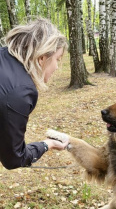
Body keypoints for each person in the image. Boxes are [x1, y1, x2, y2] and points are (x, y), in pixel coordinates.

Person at [0, 17, 69, 170]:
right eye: (57, 59)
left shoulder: (3, 56)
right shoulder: (20, 91)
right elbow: (14, 159)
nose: (57, 67)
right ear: (42, 58)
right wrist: (47, 144)